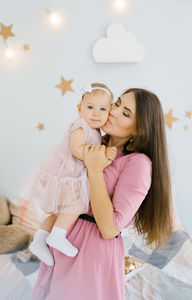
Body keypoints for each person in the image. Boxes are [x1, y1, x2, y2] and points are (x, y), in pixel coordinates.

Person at [31, 88, 173, 300]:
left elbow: (109, 228)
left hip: (92, 249)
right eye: (117, 103)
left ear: (138, 130)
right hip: (62, 238)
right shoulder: (91, 142)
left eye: (126, 113)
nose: (113, 111)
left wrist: (95, 170)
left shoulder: (138, 164)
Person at [19, 83, 117, 266]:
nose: (96, 113)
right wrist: (103, 154)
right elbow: (77, 150)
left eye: (102, 109)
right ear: (80, 109)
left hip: (72, 176)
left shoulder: (97, 131)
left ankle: (39, 241)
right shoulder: (79, 125)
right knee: (75, 205)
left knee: (61, 211)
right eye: (90, 107)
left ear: (109, 113)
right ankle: (57, 235)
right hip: (65, 174)